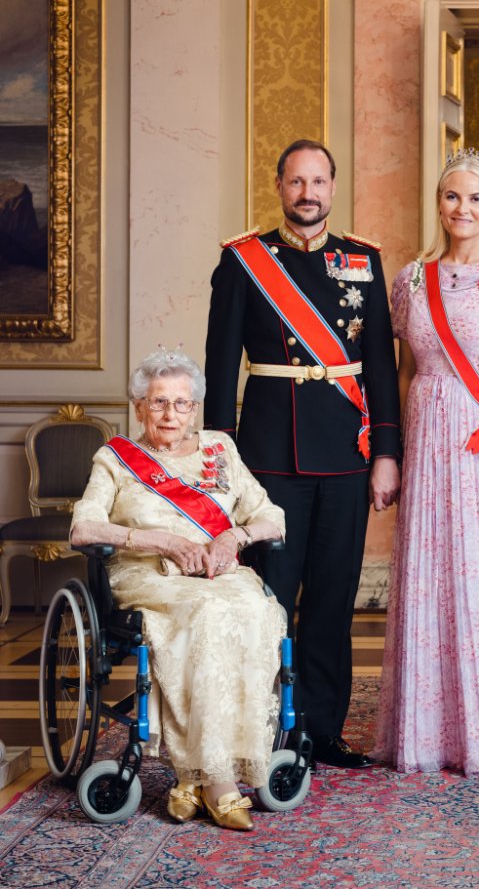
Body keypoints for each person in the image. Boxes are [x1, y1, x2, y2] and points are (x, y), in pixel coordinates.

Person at [204, 139, 401, 769]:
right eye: (296, 181)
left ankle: (320, 729)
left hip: (346, 454)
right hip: (269, 460)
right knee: (268, 600)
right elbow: (216, 370)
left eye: (318, 181)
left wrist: (388, 454)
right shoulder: (243, 262)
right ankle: (262, 729)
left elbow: (382, 372)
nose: (307, 193)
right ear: (280, 186)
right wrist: (219, 467)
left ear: (333, 188)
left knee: (333, 599)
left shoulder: (363, 260)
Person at [372, 148, 479, 774]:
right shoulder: (412, 279)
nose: (462, 209)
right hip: (428, 443)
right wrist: (390, 452)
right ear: (438, 203)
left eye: (476, 198)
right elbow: (401, 375)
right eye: (452, 197)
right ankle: (429, 737)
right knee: (435, 578)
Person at [70, 348, 287, 831]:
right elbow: (83, 529)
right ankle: (219, 783)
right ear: (139, 406)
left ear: (196, 408)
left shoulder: (219, 450)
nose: (170, 414)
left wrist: (235, 535)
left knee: (257, 611)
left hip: (217, 573)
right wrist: (160, 540)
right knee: (205, 617)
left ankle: (192, 779)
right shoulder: (116, 458)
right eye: (158, 402)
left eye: (181, 403)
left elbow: (271, 514)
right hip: (148, 576)